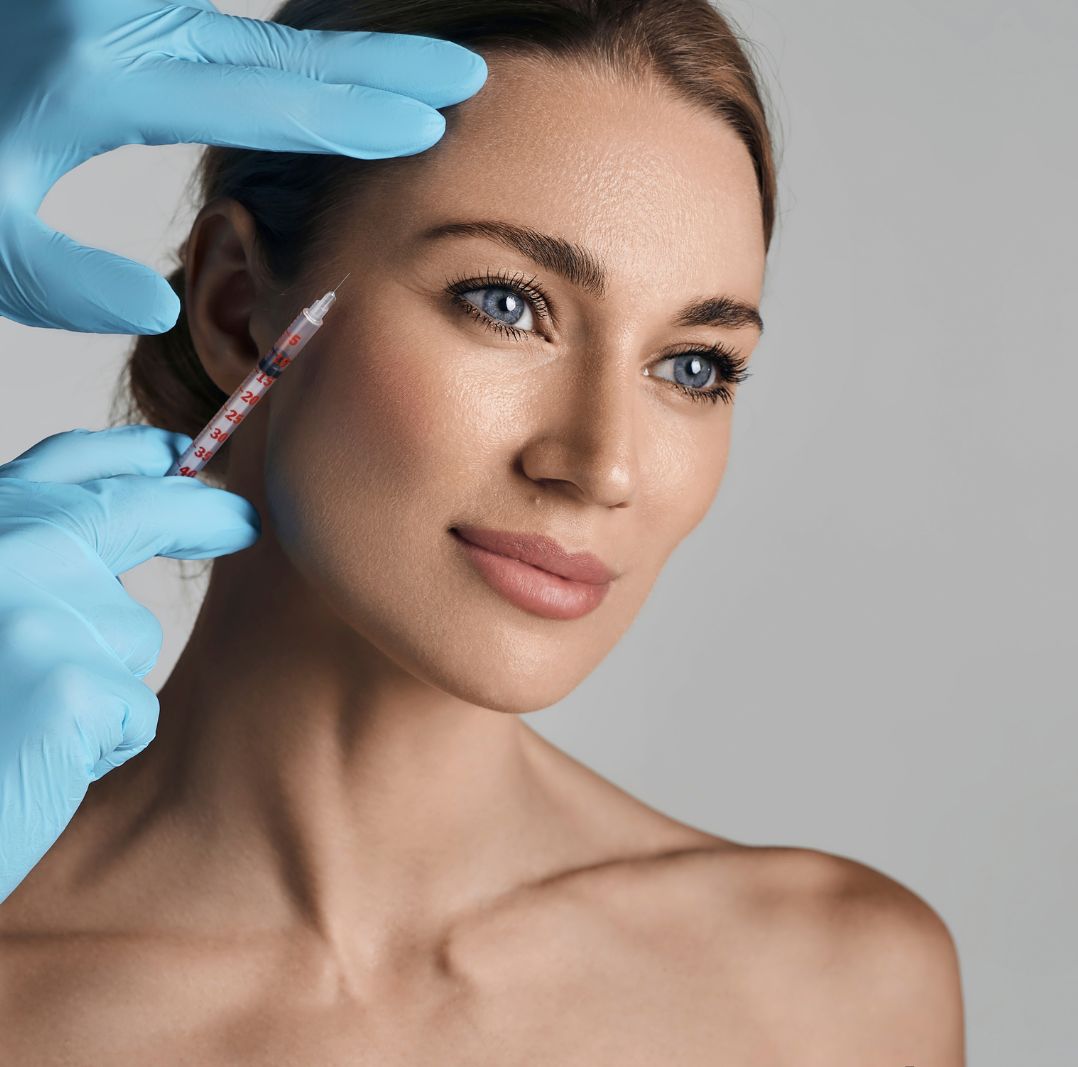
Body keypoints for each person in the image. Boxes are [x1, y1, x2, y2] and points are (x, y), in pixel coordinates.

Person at [0, 1, 966, 1060]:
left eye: (693, 365)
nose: (602, 464)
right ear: (239, 310)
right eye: (506, 303)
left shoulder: (833, 990)